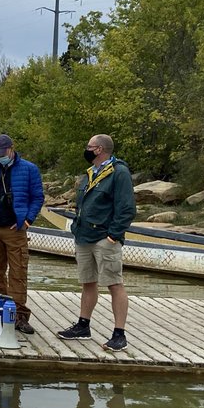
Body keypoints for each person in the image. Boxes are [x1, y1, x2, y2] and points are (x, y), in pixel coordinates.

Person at [57, 134, 136, 351]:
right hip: (84, 236)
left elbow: (127, 208)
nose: (86, 149)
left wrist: (113, 235)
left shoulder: (119, 172)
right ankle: (83, 325)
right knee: (87, 282)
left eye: (89, 146)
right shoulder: (91, 172)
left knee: (114, 283)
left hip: (104, 238)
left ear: (99, 149)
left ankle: (119, 334)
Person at [0, 133, 44, 333]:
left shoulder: (30, 169)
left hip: (15, 228)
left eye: (2, 152)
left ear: (11, 149)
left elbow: (38, 197)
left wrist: (27, 219)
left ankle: (19, 315)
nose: (0, 156)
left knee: (18, 272)